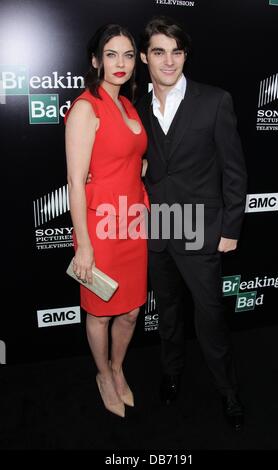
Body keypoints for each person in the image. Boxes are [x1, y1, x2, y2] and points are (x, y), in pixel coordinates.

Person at [136, 16, 248, 431]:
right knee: (167, 311)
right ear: (145, 56)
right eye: (160, 51)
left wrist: (231, 229)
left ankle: (228, 391)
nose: (169, 61)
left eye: (177, 51)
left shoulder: (214, 100)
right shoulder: (136, 106)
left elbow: (235, 170)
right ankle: (172, 372)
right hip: (157, 226)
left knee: (210, 316)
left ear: (185, 55)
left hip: (202, 230)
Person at [64, 24, 149, 418]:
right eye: (111, 54)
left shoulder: (128, 105)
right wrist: (84, 245)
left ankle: (118, 367)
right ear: (96, 60)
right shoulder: (86, 107)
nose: (121, 63)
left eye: (128, 55)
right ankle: (102, 373)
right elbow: (75, 183)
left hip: (133, 225)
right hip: (100, 230)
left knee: (131, 311)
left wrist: (138, 166)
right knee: (100, 312)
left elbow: (126, 157)